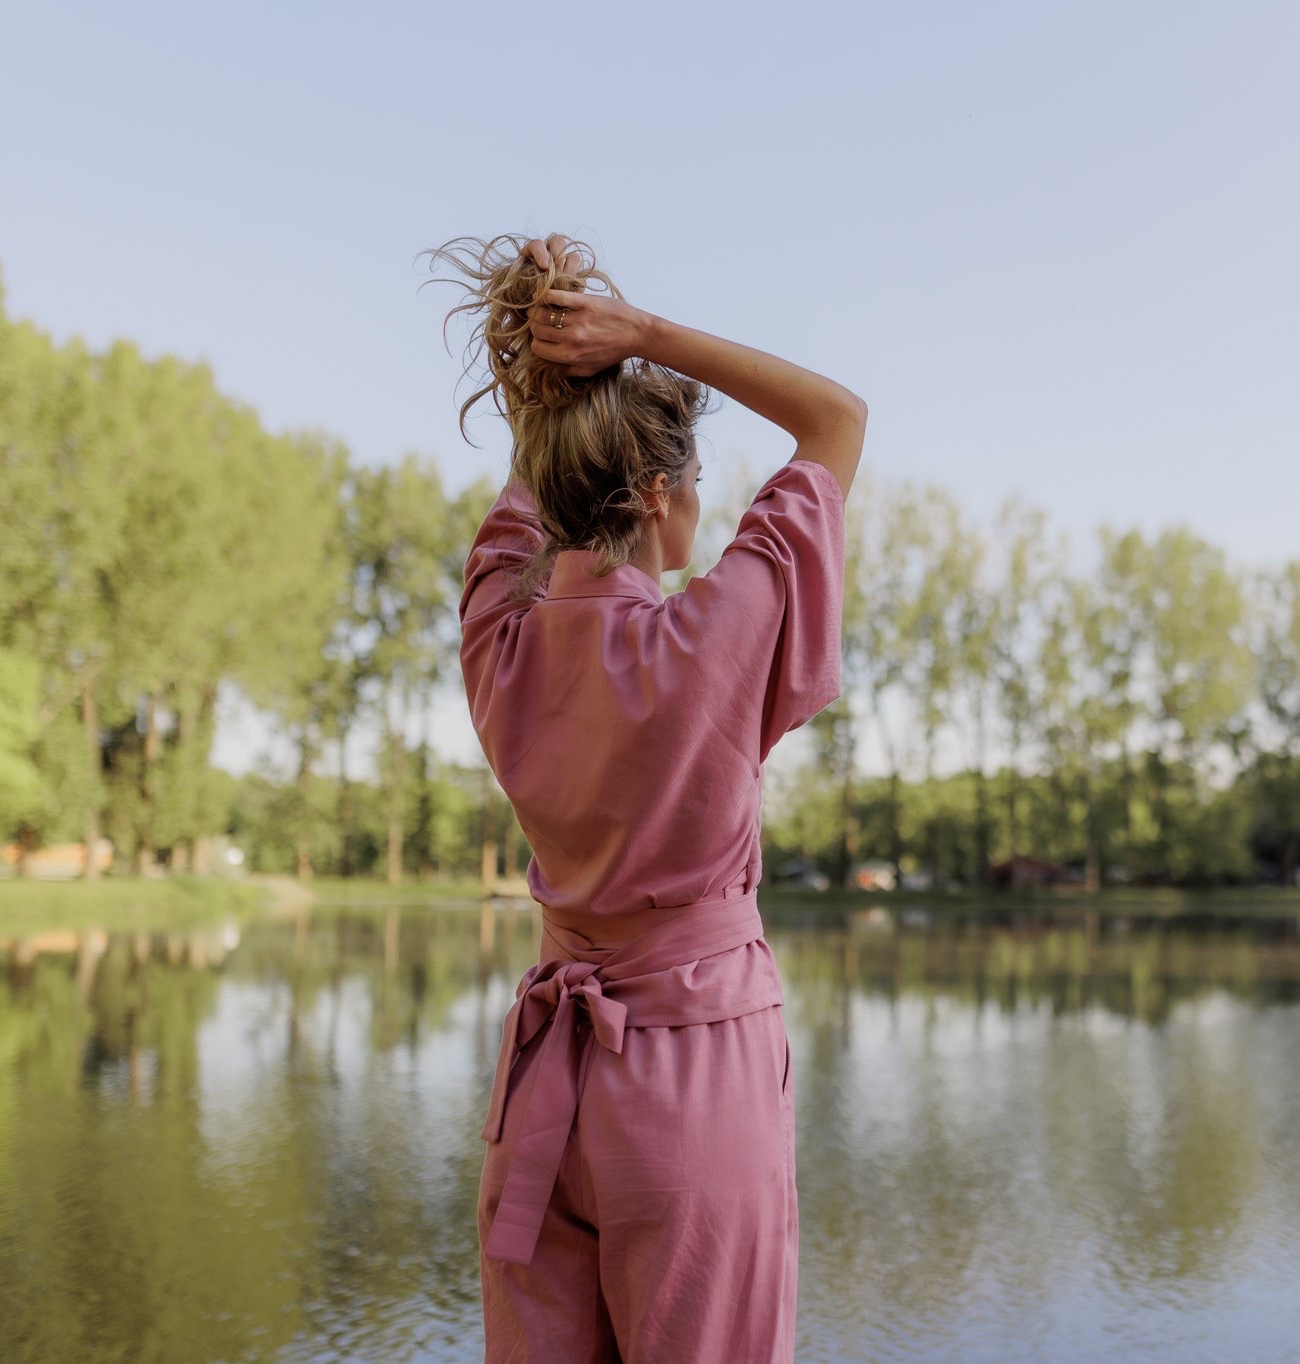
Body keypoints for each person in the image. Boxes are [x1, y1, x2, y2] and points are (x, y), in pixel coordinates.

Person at [431, 231, 867, 1364]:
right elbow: (835, 420)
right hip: (690, 1087)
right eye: (696, 489)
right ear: (661, 493)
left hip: (543, 1096)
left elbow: (536, 488)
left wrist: (549, 368)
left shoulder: (499, 636)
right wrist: (643, 335)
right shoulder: (712, 636)